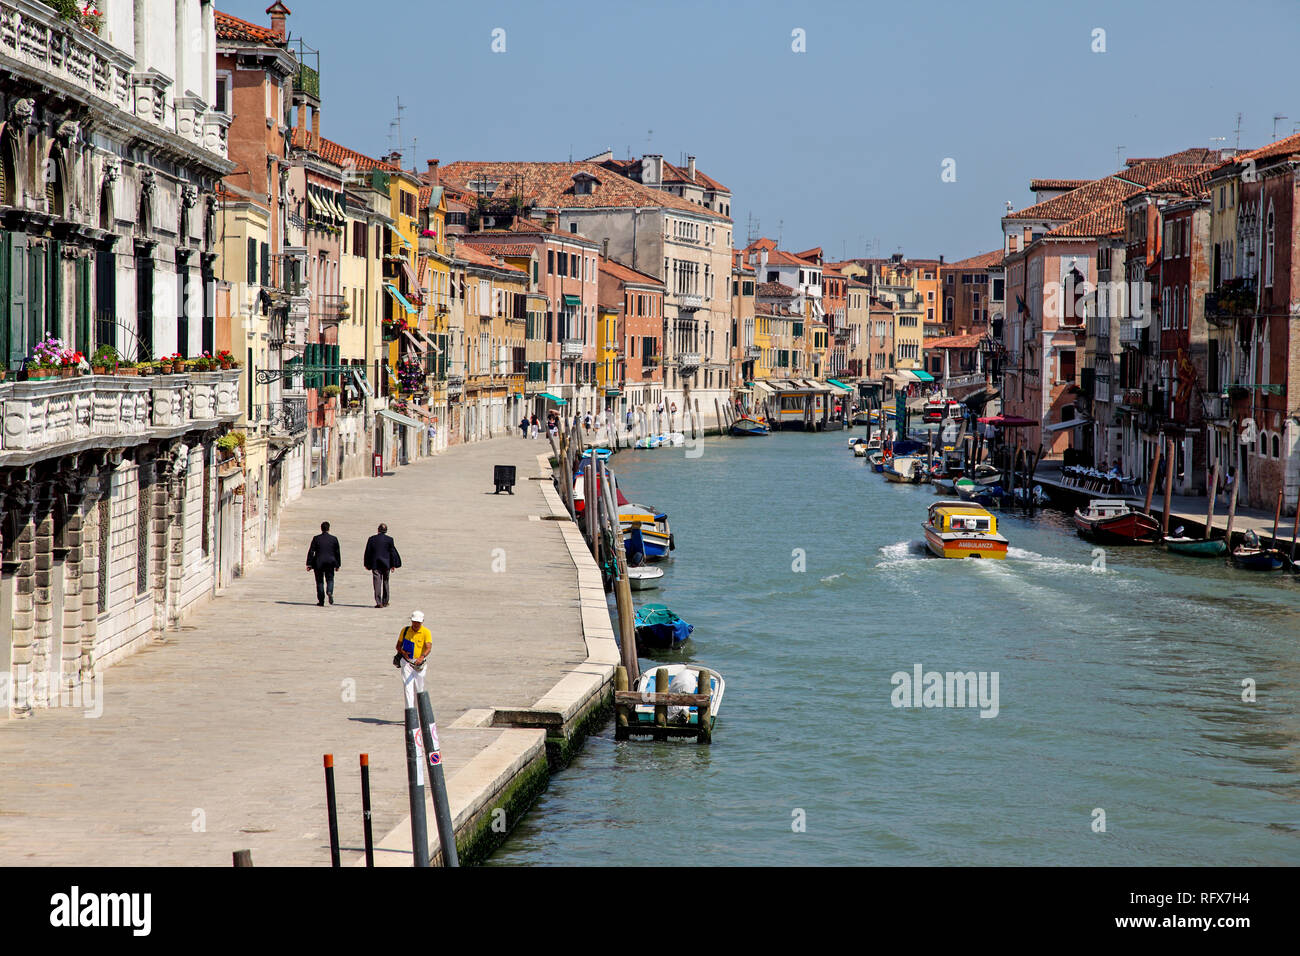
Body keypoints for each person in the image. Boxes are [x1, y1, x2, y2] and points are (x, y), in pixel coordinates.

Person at [395, 610, 433, 709]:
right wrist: (403, 652)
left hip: (419, 664)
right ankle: (410, 712)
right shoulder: (405, 630)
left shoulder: (426, 632)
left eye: (418, 622)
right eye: (414, 622)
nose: (416, 624)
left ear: (422, 622)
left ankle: (418, 712)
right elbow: (398, 646)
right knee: (408, 687)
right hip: (407, 663)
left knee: (419, 689)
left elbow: (428, 647)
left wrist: (421, 657)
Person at [363, 523, 402, 608]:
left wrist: (366, 564)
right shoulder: (389, 540)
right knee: (386, 582)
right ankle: (385, 601)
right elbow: (392, 553)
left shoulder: (372, 539)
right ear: (386, 531)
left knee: (377, 582)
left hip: (375, 564)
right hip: (386, 564)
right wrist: (393, 565)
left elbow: (368, 552)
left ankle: (378, 602)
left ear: (378, 530)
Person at [305, 520, 341, 607]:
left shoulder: (316, 538)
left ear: (321, 529)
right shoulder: (334, 539)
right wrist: (337, 564)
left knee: (319, 582)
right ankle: (329, 591)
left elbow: (311, 551)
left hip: (318, 563)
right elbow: (337, 553)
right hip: (330, 562)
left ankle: (321, 601)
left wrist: (309, 563)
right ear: (329, 529)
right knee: (330, 579)